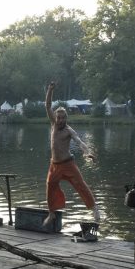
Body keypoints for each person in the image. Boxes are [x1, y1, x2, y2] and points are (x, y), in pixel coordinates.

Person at [43, 81, 100, 229]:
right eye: (59, 117)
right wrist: (50, 90)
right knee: (50, 186)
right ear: (56, 118)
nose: (61, 120)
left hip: (68, 164)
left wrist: (88, 153)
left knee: (80, 185)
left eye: (63, 118)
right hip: (54, 165)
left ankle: (94, 208)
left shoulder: (69, 130)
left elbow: (80, 141)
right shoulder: (53, 125)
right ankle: (52, 212)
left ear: (66, 119)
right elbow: (47, 106)